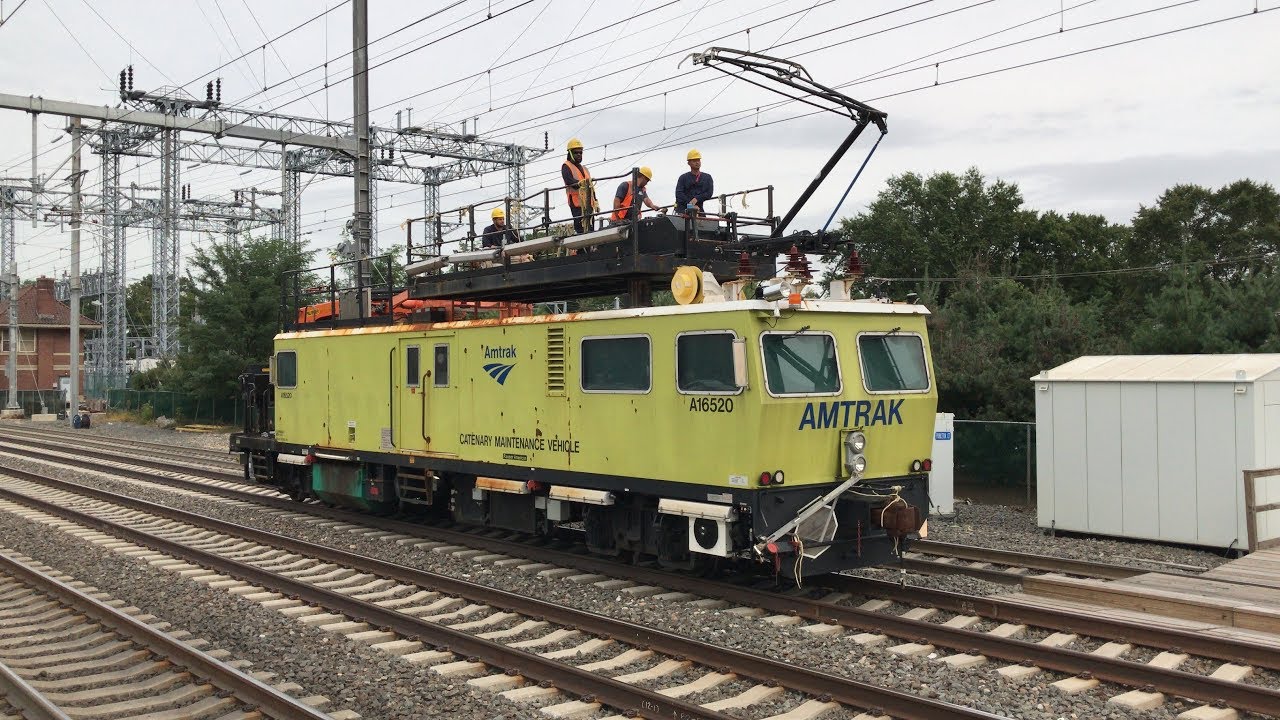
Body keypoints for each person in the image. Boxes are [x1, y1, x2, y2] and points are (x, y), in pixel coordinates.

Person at [561, 138, 597, 234]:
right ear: (570, 153)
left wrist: (596, 201)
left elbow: (591, 187)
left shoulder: (585, 169)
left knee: (591, 230)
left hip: (589, 205)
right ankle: (582, 248)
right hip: (577, 205)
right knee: (581, 231)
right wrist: (582, 183)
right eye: (576, 153)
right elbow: (570, 182)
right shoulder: (566, 166)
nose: (579, 155)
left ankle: (590, 248)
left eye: (580, 153)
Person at [675, 148, 714, 215]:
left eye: (698, 160)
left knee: (705, 224)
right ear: (689, 163)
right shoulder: (683, 178)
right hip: (683, 211)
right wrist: (691, 205)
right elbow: (679, 194)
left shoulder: (707, 177)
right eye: (694, 160)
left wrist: (697, 198)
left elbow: (709, 193)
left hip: (699, 209)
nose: (697, 162)